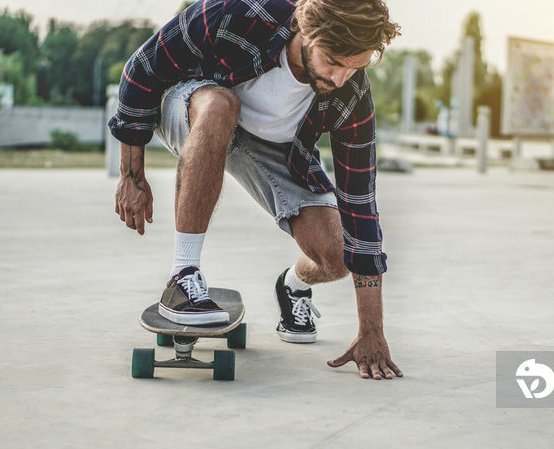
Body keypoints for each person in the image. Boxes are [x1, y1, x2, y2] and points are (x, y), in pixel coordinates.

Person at [109, 0, 403, 380]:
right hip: (196, 105)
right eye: (333, 60)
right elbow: (142, 68)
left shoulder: (351, 96)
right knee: (219, 105)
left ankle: (292, 286)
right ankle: (182, 277)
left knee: (337, 255)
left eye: (356, 66)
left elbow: (361, 206)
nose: (341, 78)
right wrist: (131, 175)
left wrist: (371, 331)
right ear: (306, 30)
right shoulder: (243, 13)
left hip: (275, 146)